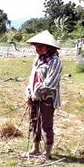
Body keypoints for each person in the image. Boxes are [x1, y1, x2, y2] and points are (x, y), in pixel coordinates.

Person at [24, 30, 62, 160]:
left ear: (48, 47)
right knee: (34, 122)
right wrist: (30, 91)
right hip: (34, 96)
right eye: (36, 47)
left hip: (47, 98)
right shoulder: (38, 60)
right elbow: (32, 78)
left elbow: (50, 83)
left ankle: (47, 153)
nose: (37, 49)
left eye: (40, 46)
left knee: (46, 124)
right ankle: (35, 149)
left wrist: (38, 93)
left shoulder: (55, 61)